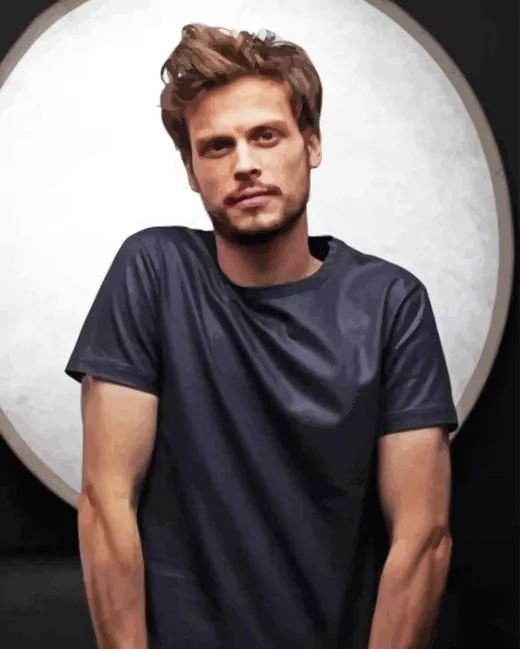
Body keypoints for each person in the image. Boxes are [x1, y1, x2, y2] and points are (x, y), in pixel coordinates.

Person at [66, 23, 458, 649]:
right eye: (216, 147)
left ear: (312, 144)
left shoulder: (391, 303)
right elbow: (105, 504)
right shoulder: (154, 273)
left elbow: (423, 538)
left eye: (265, 136)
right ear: (192, 171)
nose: (244, 164)